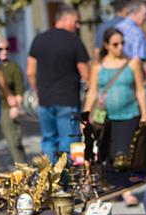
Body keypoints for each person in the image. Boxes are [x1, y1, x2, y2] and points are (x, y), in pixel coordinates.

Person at [27, 5, 90, 160]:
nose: (78, 25)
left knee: (48, 139)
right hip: (68, 99)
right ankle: (70, 178)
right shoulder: (75, 42)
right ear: (65, 19)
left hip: (45, 100)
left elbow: (30, 71)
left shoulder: (38, 40)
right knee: (71, 140)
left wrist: (37, 90)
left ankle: (51, 176)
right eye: (76, 21)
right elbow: (86, 73)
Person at [83, 28, 146, 162]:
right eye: (115, 44)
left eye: (122, 43)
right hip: (104, 118)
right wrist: (85, 116)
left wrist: (144, 115)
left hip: (128, 115)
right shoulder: (98, 66)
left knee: (122, 155)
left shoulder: (133, 63)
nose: (120, 47)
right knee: (105, 155)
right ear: (106, 46)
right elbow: (92, 92)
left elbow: (140, 90)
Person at [0, 38, 26, 173]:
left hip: (6, 108)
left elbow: (19, 91)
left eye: (7, 49)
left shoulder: (13, 67)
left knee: (14, 142)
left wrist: (16, 106)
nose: (4, 52)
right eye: (0, 49)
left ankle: (23, 172)